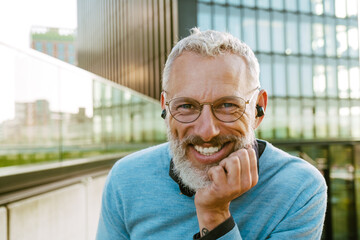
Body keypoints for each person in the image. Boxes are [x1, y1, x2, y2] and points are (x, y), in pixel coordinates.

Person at [96, 28, 327, 240]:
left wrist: (214, 214)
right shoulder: (126, 180)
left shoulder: (299, 188)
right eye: (186, 106)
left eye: (227, 105)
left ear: (258, 108)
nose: (207, 131)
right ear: (165, 108)